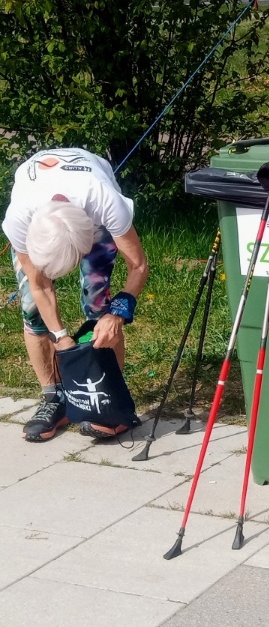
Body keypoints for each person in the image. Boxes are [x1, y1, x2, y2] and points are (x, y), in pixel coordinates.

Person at [2, 148, 149, 442]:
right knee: (32, 309)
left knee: (98, 305)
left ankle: (108, 402)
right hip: (37, 218)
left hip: (88, 210)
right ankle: (53, 399)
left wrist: (118, 312)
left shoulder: (104, 202)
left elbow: (139, 265)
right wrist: (61, 335)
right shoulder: (19, 219)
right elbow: (40, 285)